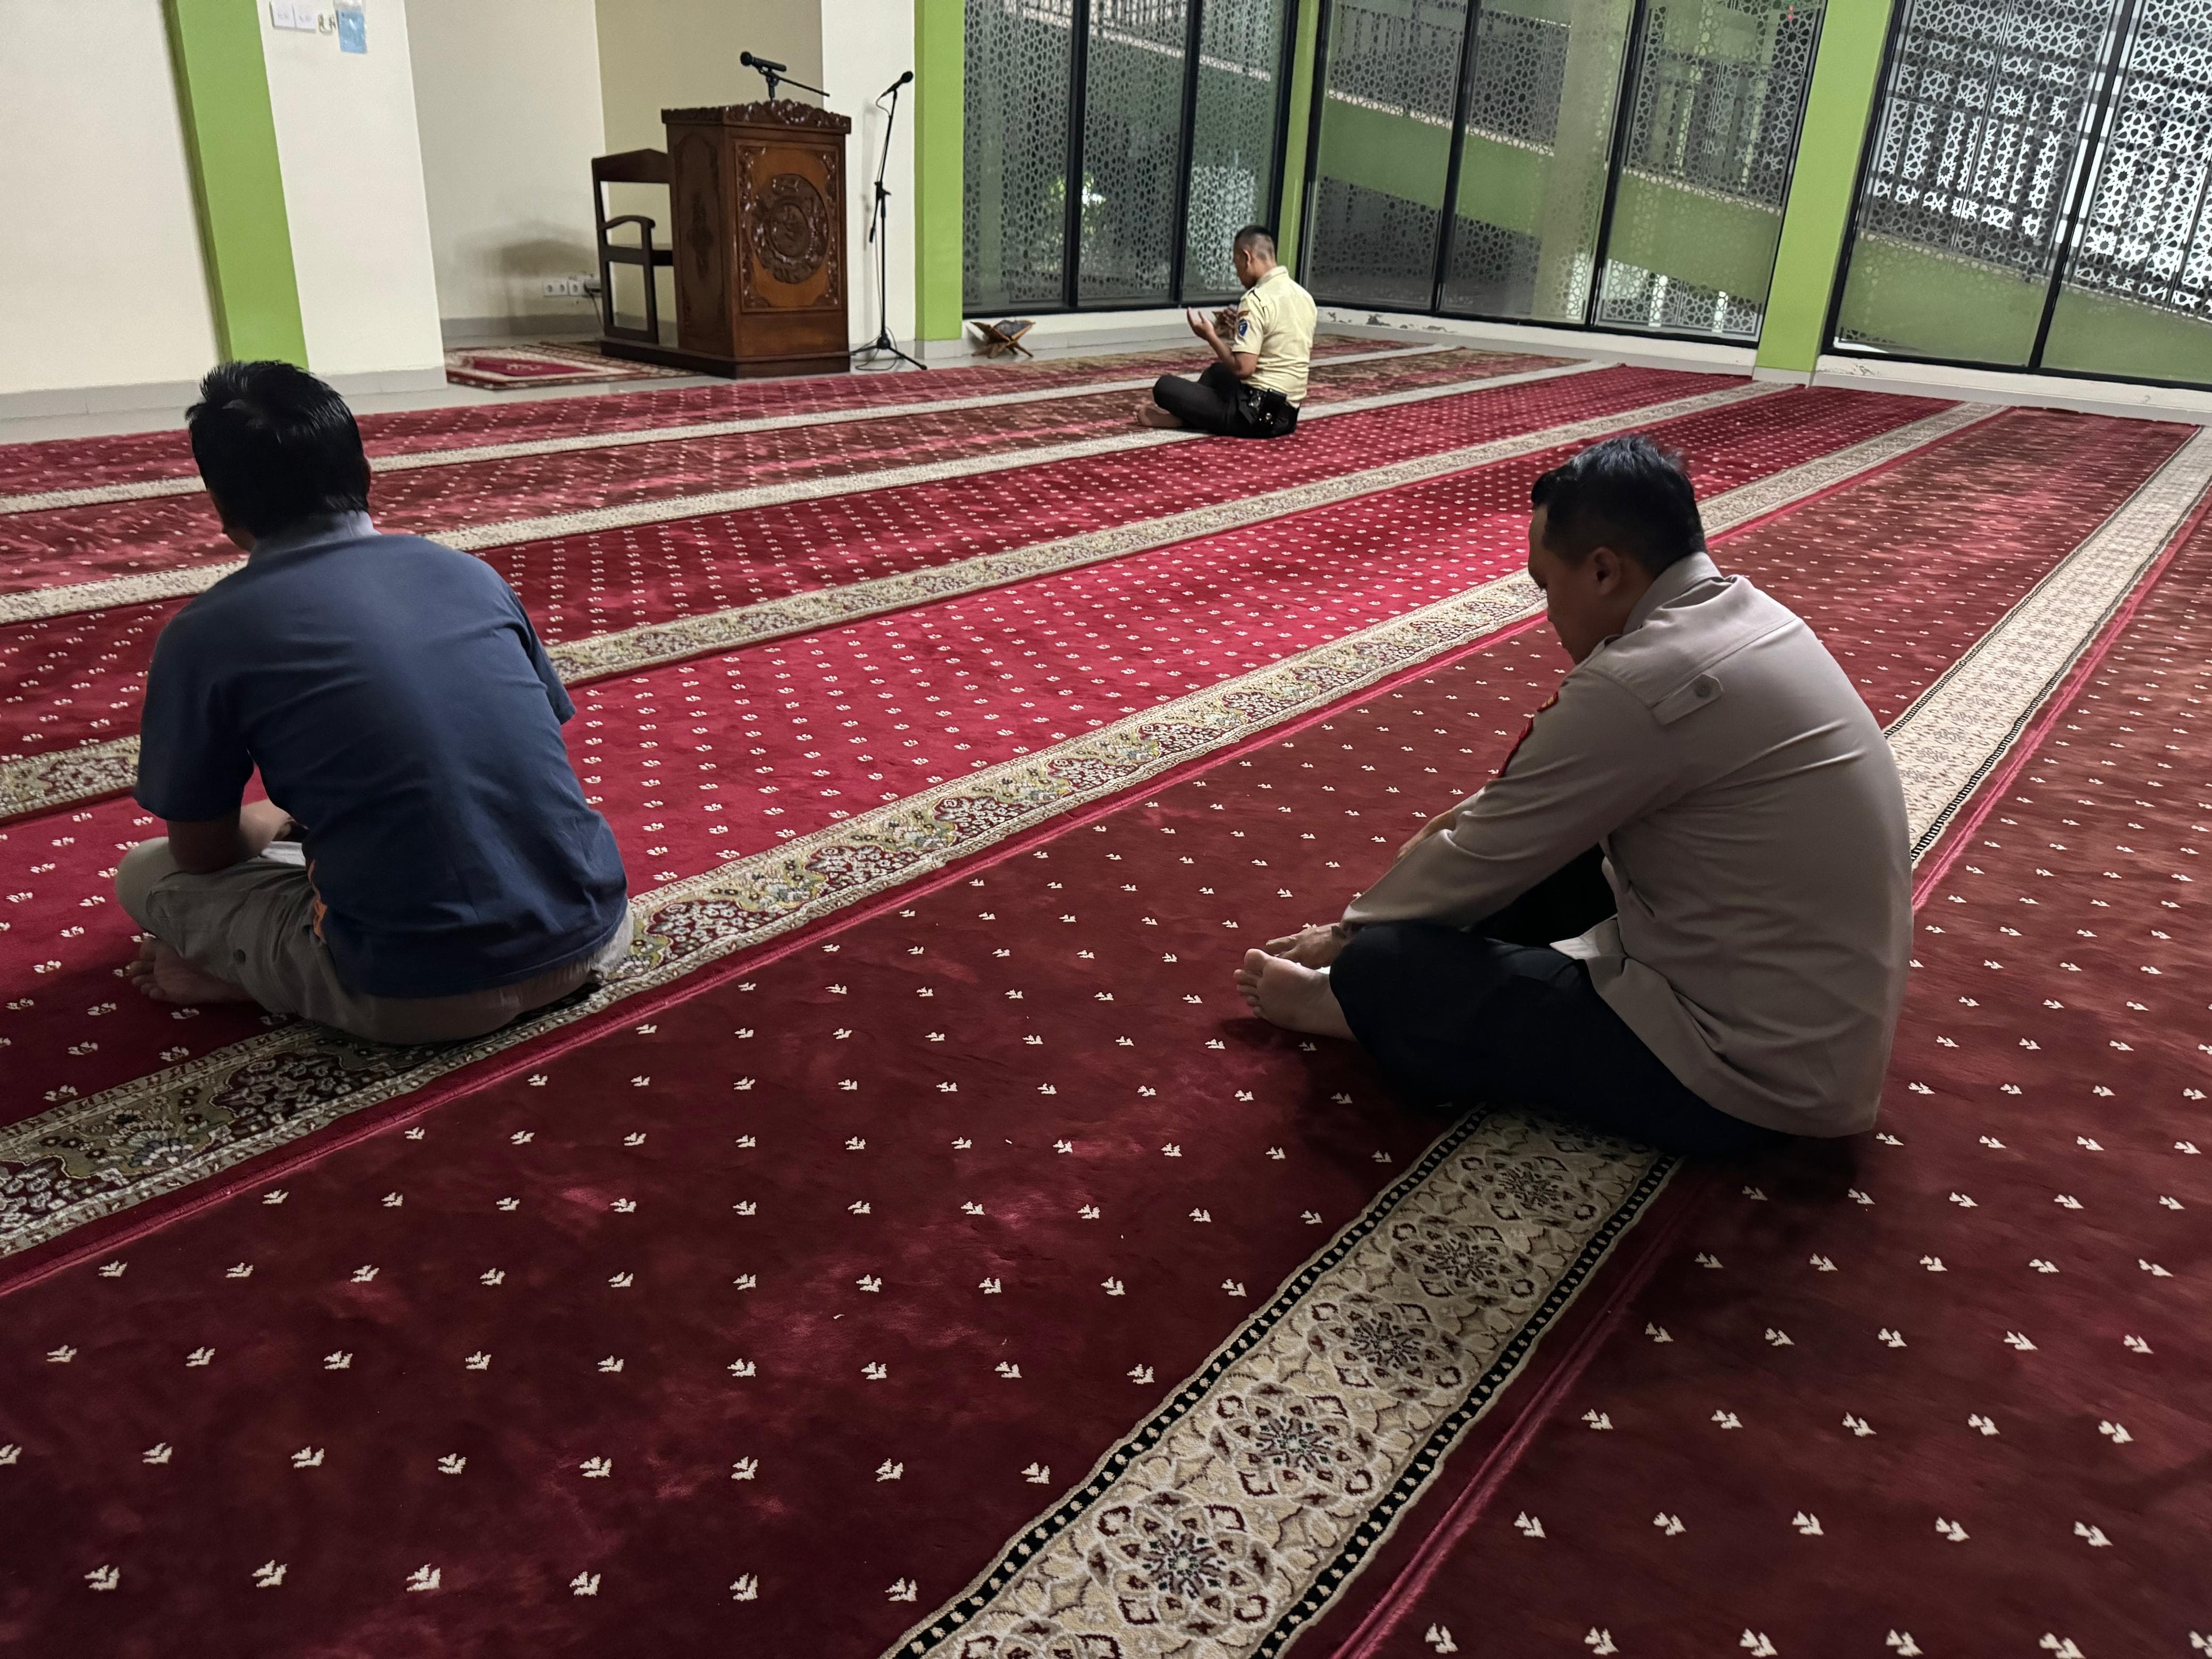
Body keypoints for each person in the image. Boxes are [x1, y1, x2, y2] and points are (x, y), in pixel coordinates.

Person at [1233, 435, 1912, 1156]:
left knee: (1388, 969)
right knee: (1543, 857)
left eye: (1545, 585)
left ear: (1602, 570)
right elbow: (1529, 807)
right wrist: (1442, 850)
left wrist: (1346, 941)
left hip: (1749, 1074)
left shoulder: (1641, 682)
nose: (1547, 612)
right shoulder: (1748, 620)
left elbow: (1482, 853)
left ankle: (1342, 1002)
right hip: (1808, 1028)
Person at [116, 361, 632, 1045]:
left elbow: (202, 853)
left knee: (147, 872)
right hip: (599, 930)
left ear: (220, 505)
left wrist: (274, 815)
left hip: (415, 993)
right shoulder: (470, 574)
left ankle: (253, 977)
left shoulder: (204, 633)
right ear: (364, 471)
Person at [1139, 225, 1316, 440]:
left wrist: (1210, 336)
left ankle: (1186, 419)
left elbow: (1243, 369)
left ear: (1247, 258)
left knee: (1165, 387)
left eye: (1236, 263)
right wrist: (1237, 331)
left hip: (1254, 418)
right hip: (1287, 416)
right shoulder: (1303, 296)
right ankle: (1194, 415)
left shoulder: (1256, 299)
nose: (1237, 272)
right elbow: (1279, 343)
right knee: (1217, 373)